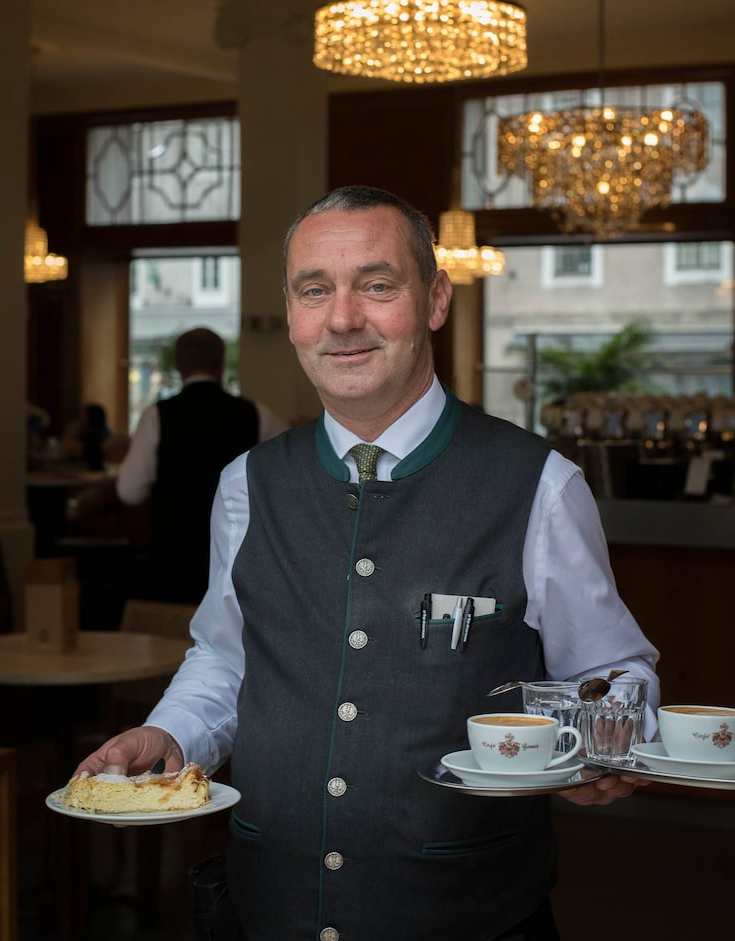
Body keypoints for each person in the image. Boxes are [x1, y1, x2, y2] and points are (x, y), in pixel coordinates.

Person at [76, 187, 660, 940]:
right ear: (290, 313)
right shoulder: (245, 485)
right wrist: (172, 735)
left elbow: (614, 670)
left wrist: (610, 737)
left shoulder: (539, 484)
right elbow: (226, 659)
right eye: (314, 290)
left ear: (435, 300)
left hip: (468, 913)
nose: (343, 318)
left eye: (377, 286)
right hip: (266, 908)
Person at [115, 327, 287, 603]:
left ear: (177, 366)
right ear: (221, 364)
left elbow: (129, 490)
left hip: (173, 558)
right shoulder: (256, 414)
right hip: (237, 557)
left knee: (170, 643)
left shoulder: (156, 416)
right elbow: (291, 470)